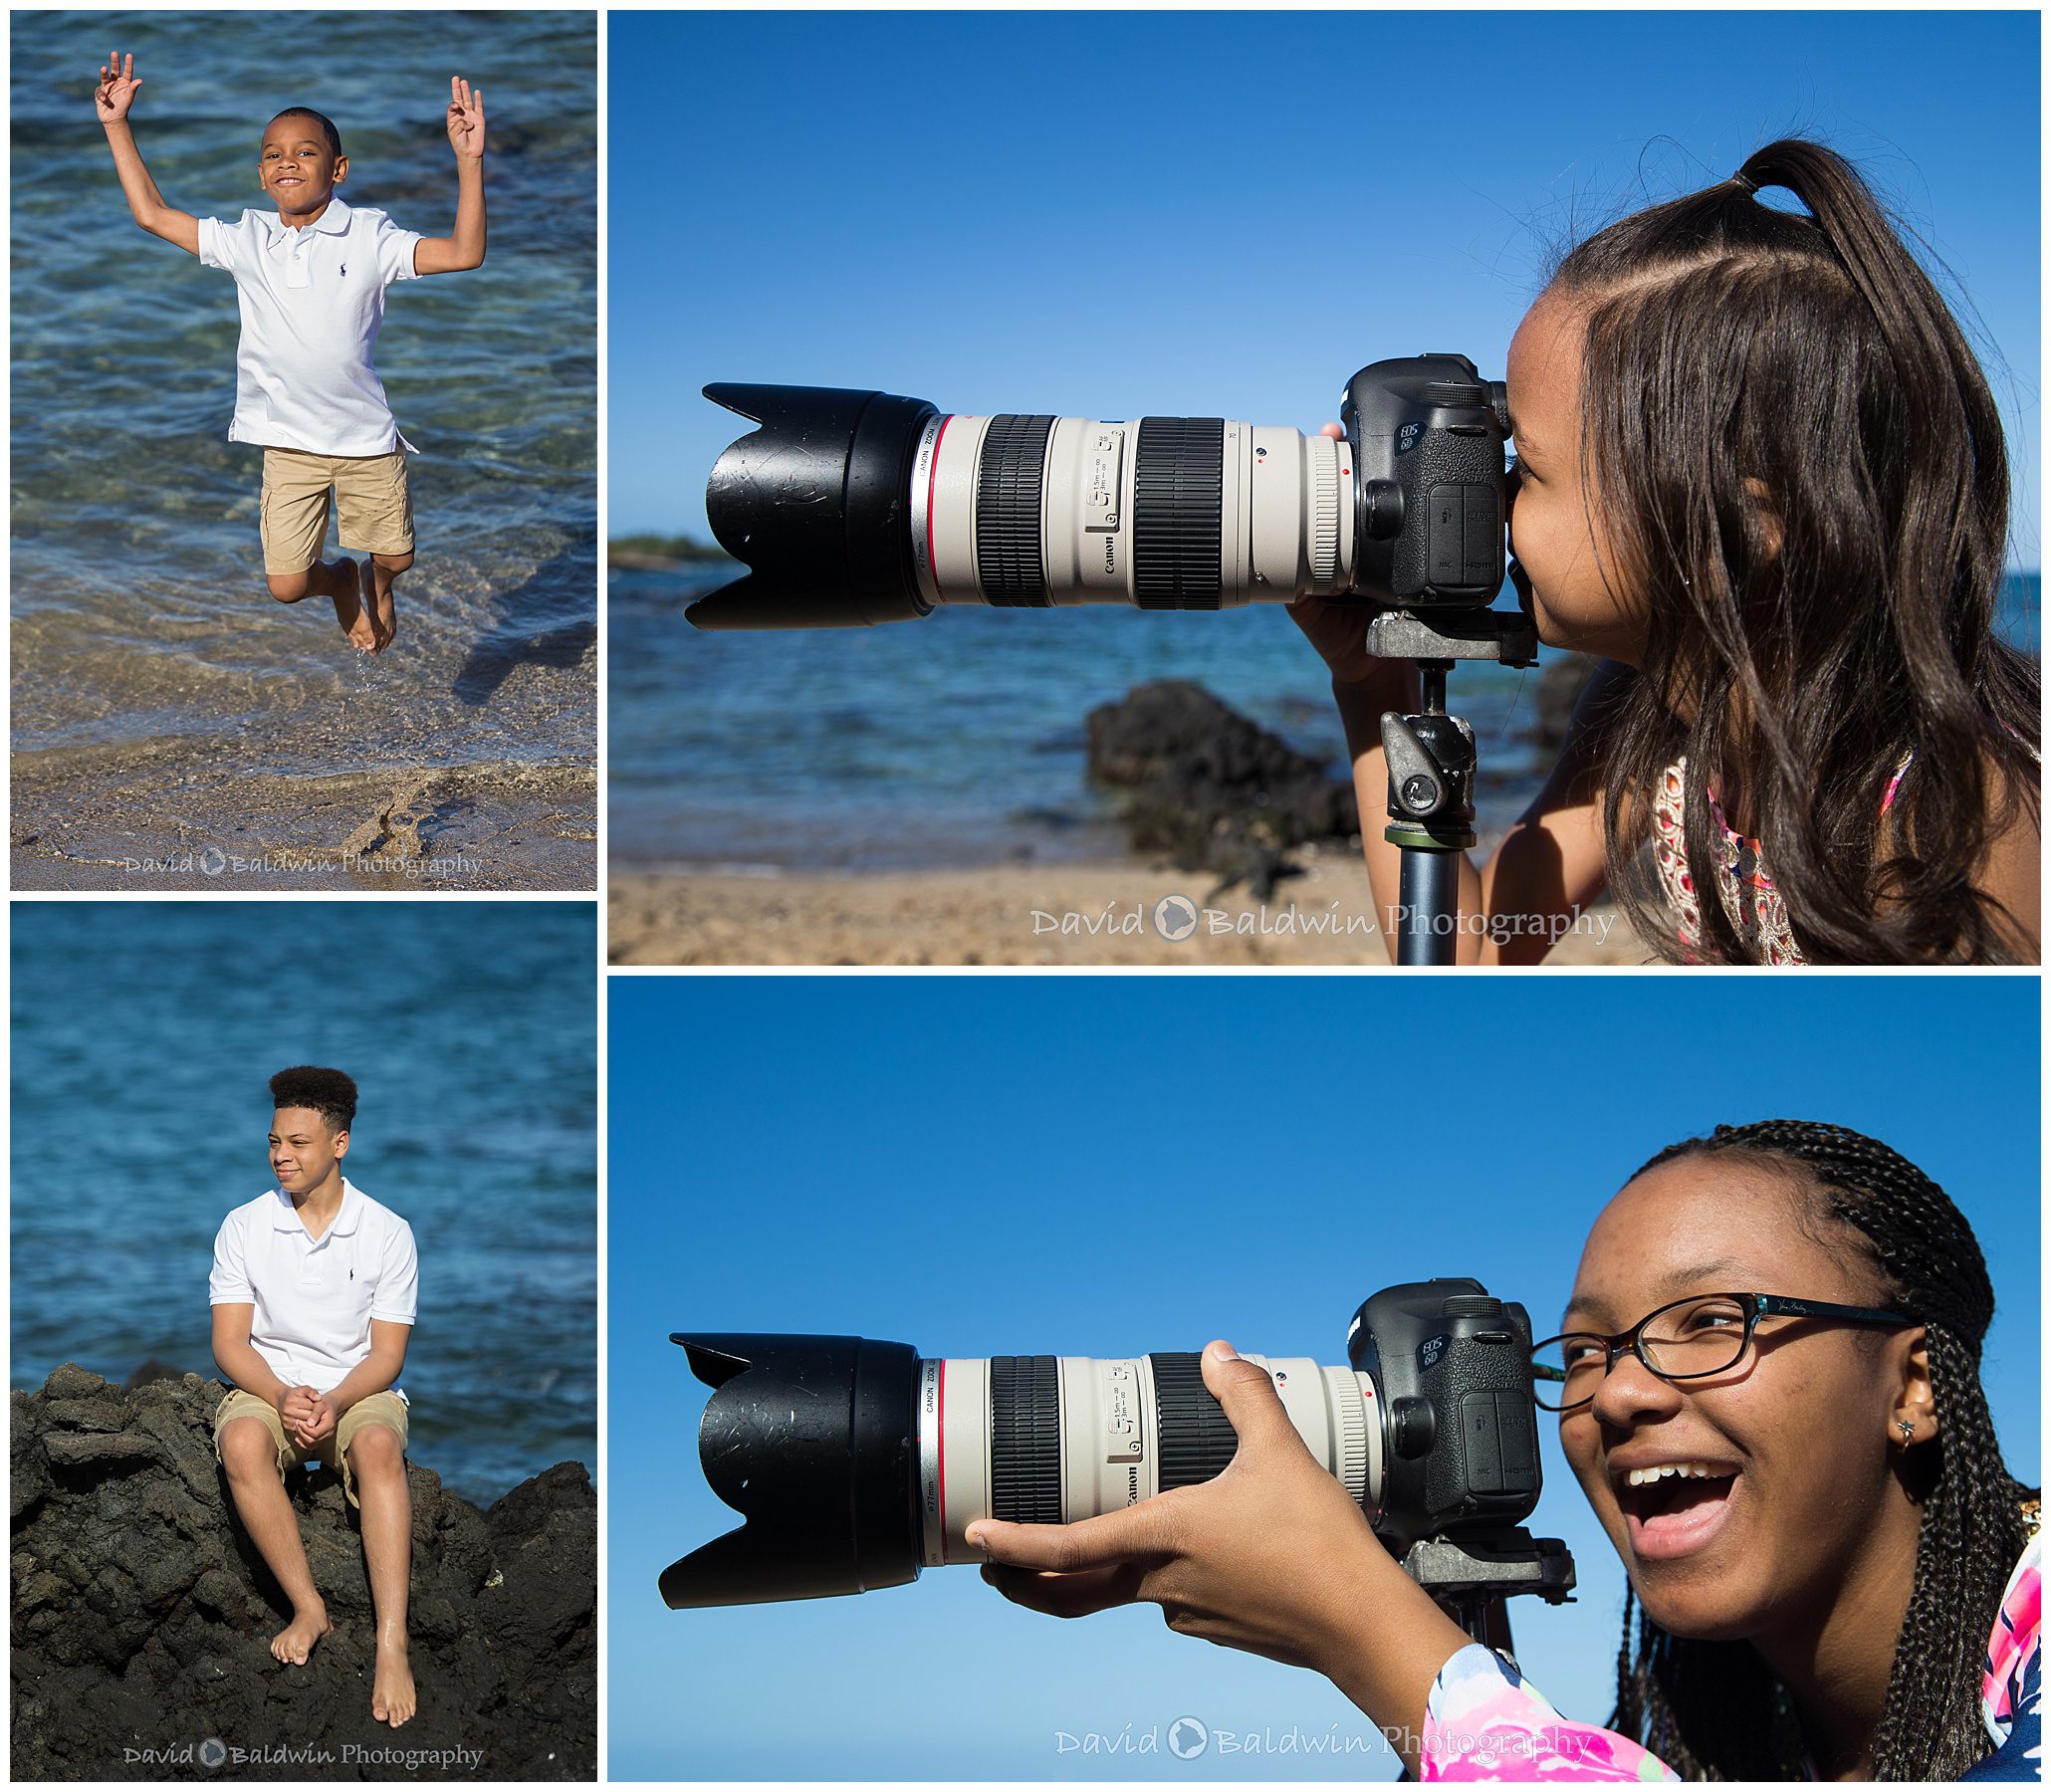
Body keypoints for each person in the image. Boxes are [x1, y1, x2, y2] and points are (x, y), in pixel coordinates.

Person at [968, 1121, 2040, 1781]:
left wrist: (1374, 1641)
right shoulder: (1718, 1737)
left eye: (1712, 1321)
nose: (1614, 1392)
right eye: (1579, 1351)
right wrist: (1444, 1630)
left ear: (1909, 1386)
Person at [1291, 139, 2039, 964]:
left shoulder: (1957, 817)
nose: (1491, 499)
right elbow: (1470, 955)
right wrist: (1372, 687)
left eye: (1527, 468)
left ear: (1740, 532)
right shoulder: (1644, 713)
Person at [94, 50, 489, 655]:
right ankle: (336, 583)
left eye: (306, 152)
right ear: (260, 174)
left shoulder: (371, 236)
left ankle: (374, 581)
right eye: (274, 154)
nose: (288, 162)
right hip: (289, 441)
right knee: (284, 585)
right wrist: (116, 124)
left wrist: (469, 161)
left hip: (364, 438)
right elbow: (151, 215)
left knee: (398, 556)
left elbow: (464, 252)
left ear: (339, 169)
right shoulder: (246, 239)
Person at [209, 1066, 421, 1728]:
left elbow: (386, 1357)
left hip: (356, 1392)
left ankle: (393, 1641)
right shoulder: (243, 1226)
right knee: (242, 1442)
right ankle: (309, 1607)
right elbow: (230, 1345)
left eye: (298, 1143)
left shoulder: (388, 1232)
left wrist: (331, 1399)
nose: (281, 1156)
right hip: (266, 1388)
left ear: (340, 1144)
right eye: (274, 1141)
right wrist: (278, 1393)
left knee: (381, 1446)